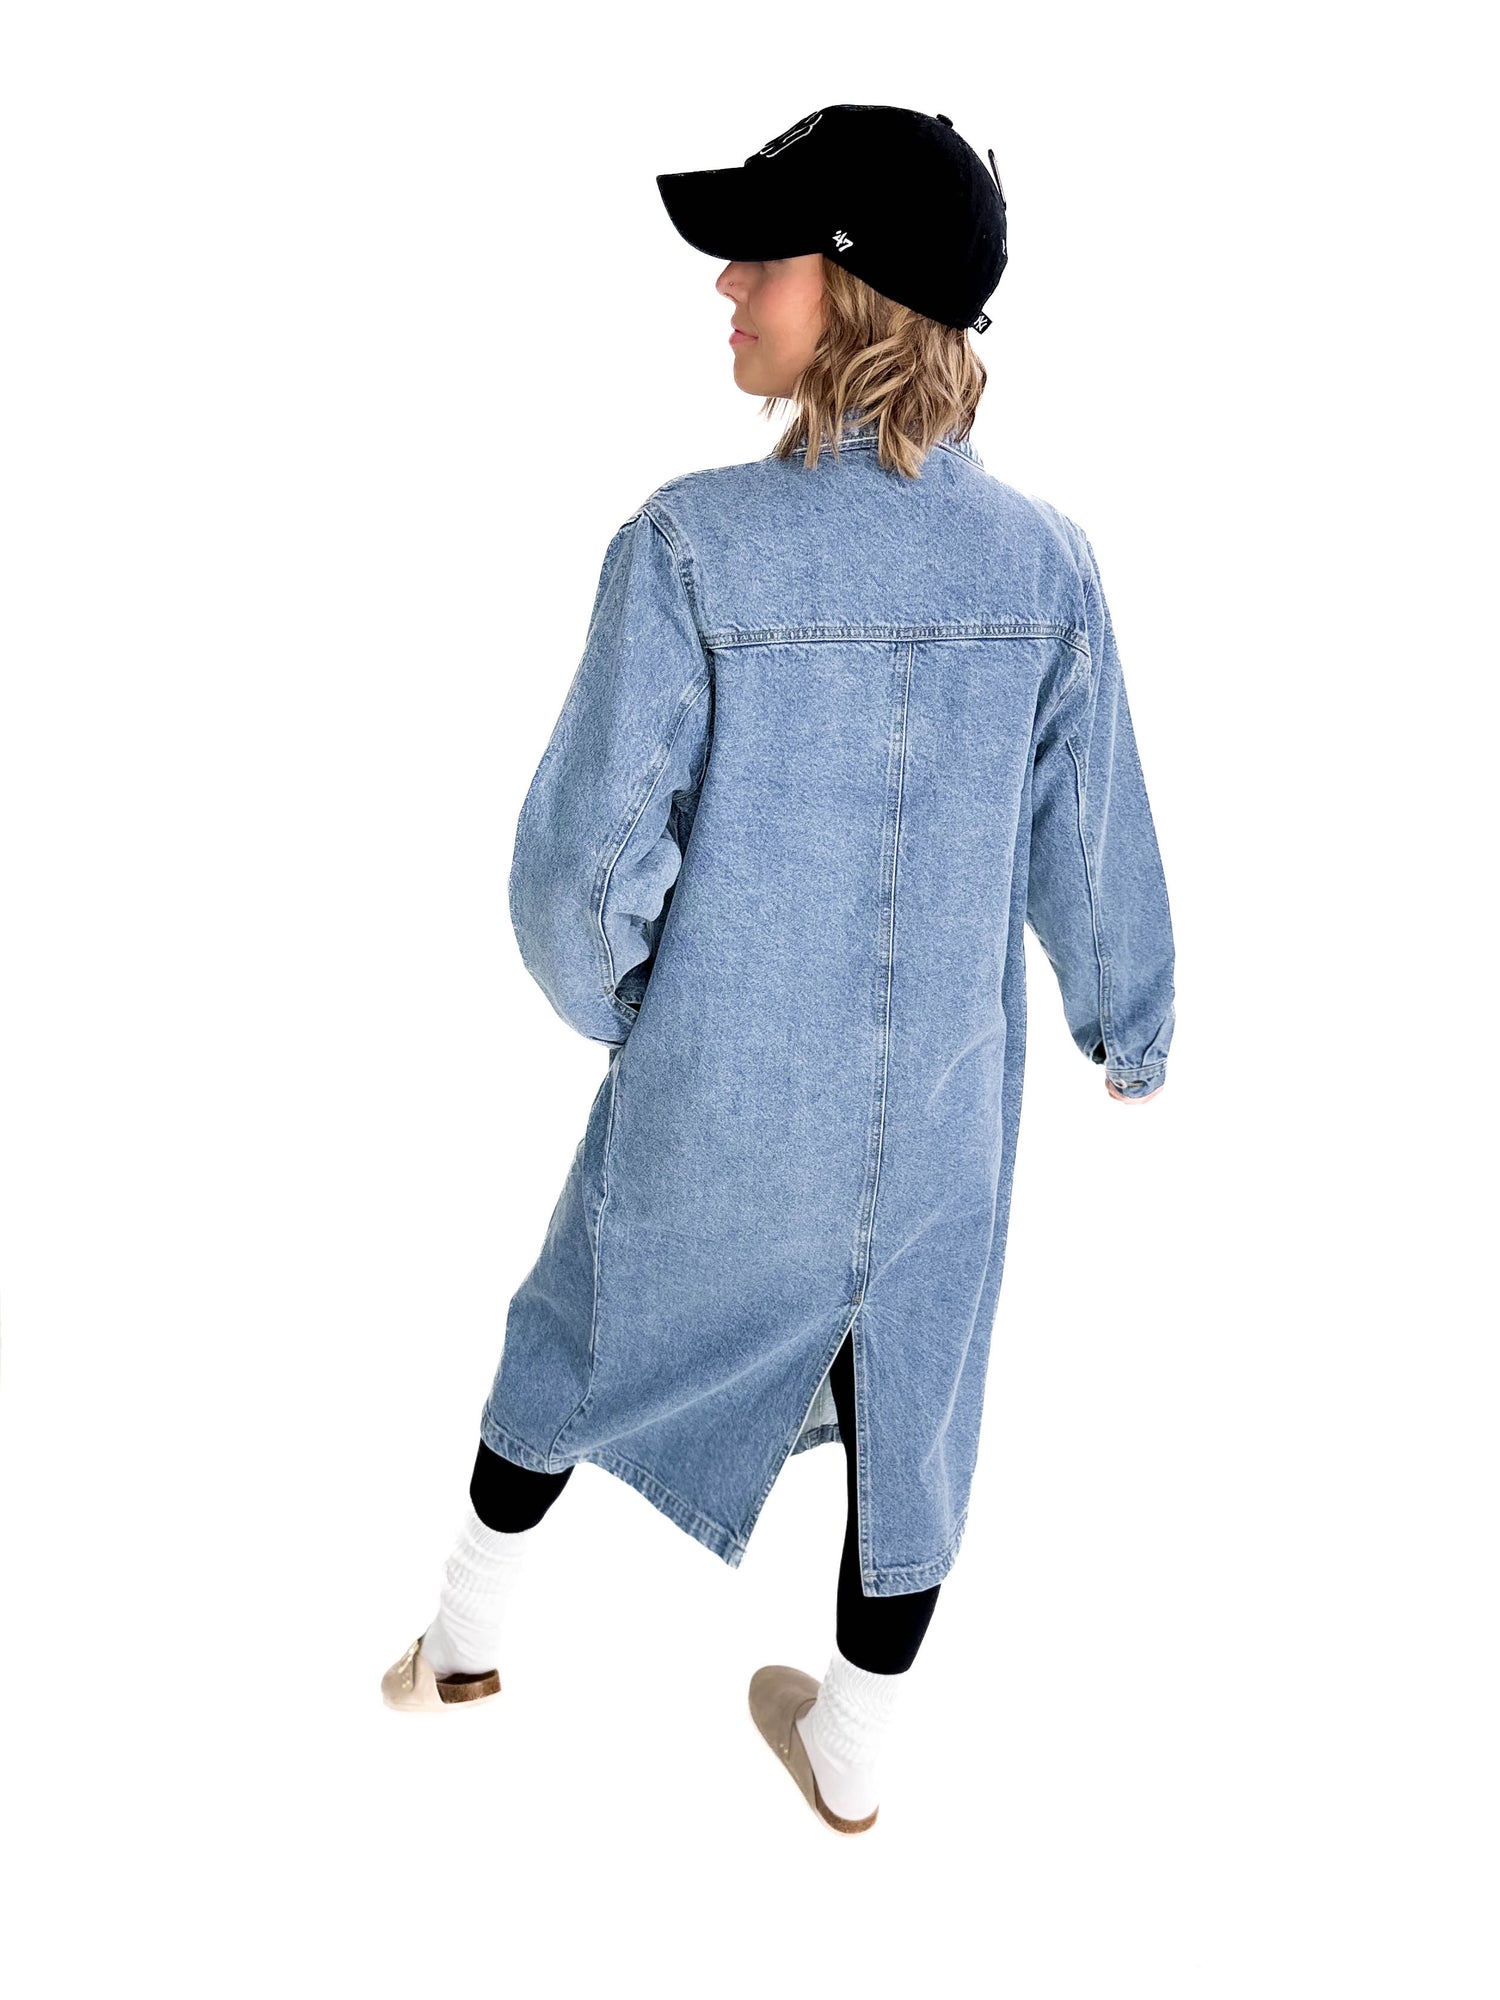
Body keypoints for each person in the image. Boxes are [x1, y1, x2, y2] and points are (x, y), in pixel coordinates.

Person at [381, 103, 1176, 1837]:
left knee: (572, 1336)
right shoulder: (1048, 568)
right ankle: (855, 1758)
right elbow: (1092, 849)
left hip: (718, 1102)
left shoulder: (690, 545)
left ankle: (461, 1645)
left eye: (764, 255)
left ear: (860, 289)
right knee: (916, 1410)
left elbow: (577, 873)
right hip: (942, 1131)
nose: (728, 285)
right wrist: (1131, 1025)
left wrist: (643, 1013)